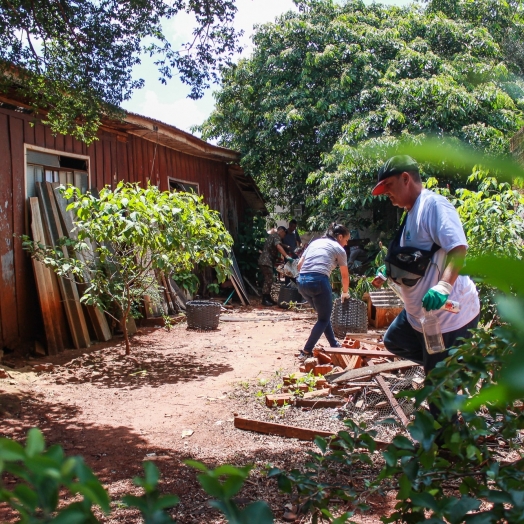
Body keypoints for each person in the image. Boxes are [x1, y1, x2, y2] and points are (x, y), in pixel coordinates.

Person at [371, 155, 480, 383]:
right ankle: (448, 369)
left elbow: (458, 248)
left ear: (405, 178)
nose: (387, 194)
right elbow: (414, 257)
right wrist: (390, 270)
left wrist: (443, 286)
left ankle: (446, 380)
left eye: (389, 186)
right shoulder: (410, 213)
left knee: (438, 395)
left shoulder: (433, 205)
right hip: (418, 317)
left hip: (446, 319)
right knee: (395, 340)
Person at [296, 223, 351, 359]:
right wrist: (345, 292)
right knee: (324, 318)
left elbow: (299, 266)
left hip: (302, 281)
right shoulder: (339, 249)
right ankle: (306, 351)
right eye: (346, 240)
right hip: (319, 281)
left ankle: (333, 344)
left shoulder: (315, 243)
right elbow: (345, 276)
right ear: (339, 237)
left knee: (323, 317)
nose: (346, 244)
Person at [258, 226, 293, 306]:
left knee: (269, 279)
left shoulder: (272, 236)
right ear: (281, 231)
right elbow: (278, 246)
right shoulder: (276, 236)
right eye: (285, 234)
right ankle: (265, 299)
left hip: (266, 260)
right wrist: (286, 256)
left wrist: (285, 247)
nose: (284, 236)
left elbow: (276, 247)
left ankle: (268, 297)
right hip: (266, 261)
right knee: (269, 279)